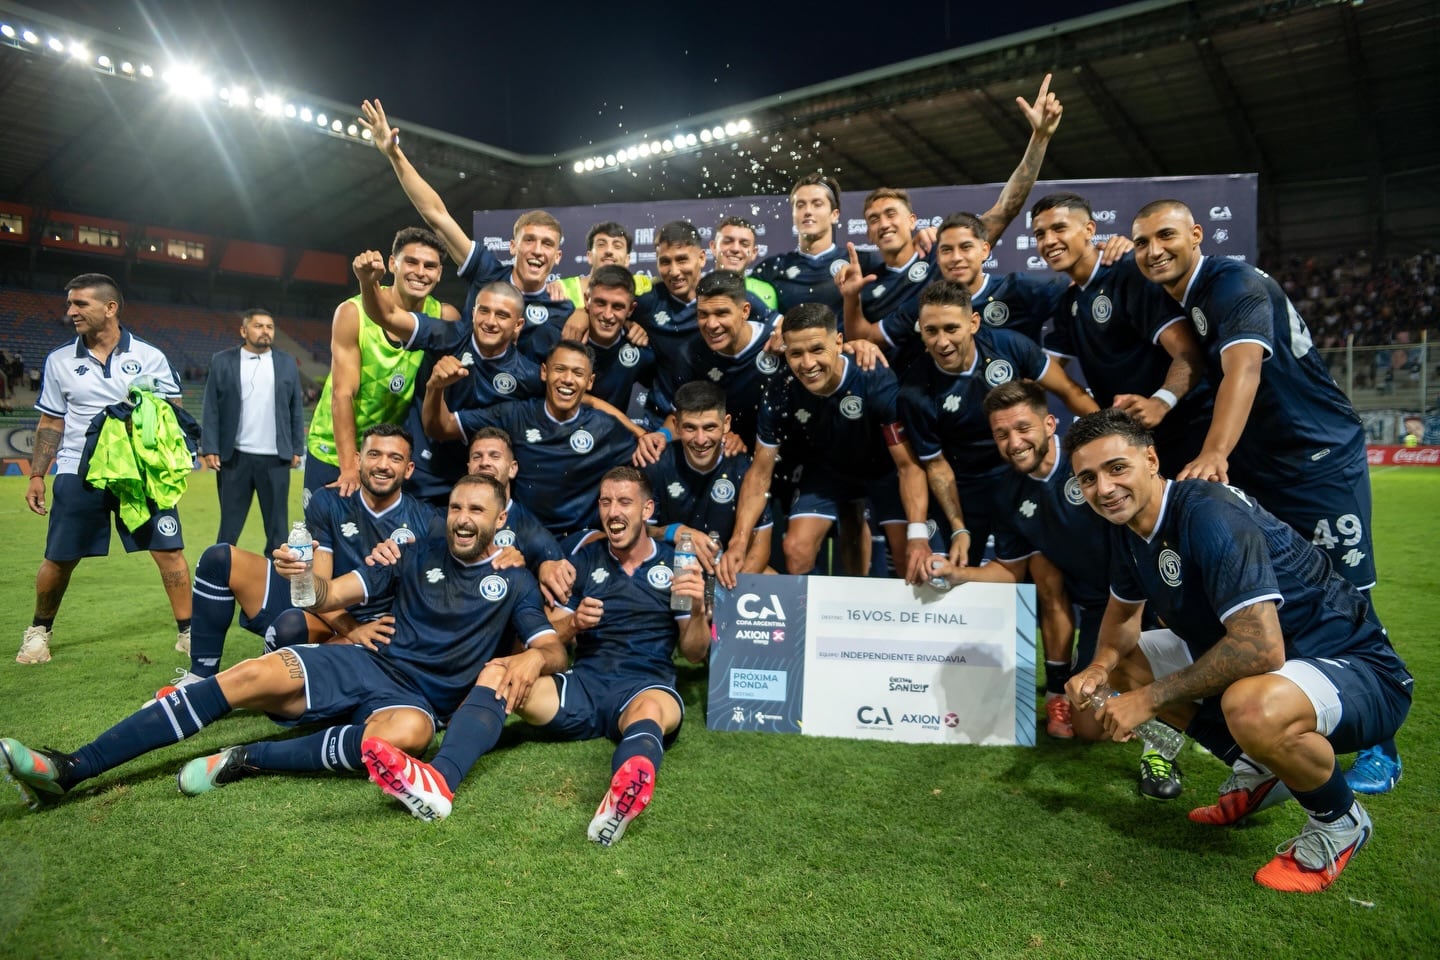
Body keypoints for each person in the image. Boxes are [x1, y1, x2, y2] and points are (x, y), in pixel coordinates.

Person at [0, 475, 561, 808]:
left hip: (419, 703)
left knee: (406, 738)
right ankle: (72, 768)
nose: (463, 519)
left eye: (477, 510)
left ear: (500, 519)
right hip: (367, 663)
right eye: (457, 507)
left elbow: (554, 648)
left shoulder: (514, 580)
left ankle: (246, 759)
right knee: (247, 675)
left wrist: (533, 656)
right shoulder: (411, 550)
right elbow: (329, 594)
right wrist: (302, 577)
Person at [1061, 410, 1411, 893]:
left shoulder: (1208, 513)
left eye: (1116, 468)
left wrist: (1149, 700)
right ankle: (1258, 768)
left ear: (1151, 460)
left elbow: (1260, 648)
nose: (1103, 488)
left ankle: (1339, 821)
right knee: (1127, 665)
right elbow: (1121, 621)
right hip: (1284, 666)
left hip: (1359, 669)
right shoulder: (1128, 530)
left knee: (1250, 705)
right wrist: (1099, 667)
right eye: (1088, 478)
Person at [1129, 199, 1400, 795]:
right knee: (1276, 591)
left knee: (1349, 591)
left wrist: (1214, 453)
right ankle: (1280, 722)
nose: (1153, 250)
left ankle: (1381, 742)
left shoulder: (1236, 284)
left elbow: (1244, 371)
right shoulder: (1189, 300)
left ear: (1196, 234)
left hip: (1316, 458)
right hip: (1265, 466)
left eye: (1165, 235)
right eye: (1141, 242)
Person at [360, 467, 710, 846]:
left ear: (647, 509)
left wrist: (695, 611)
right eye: (606, 502)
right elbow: (551, 633)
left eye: (624, 502)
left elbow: (694, 653)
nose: (613, 512)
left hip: (645, 685)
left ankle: (620, 798)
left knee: (650, 712)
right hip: (585, 685)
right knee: (499, 671)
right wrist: (574, 622)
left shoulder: (676, 564)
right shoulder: (584, 559)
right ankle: (439, 780)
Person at [929, 382, 1181, 801]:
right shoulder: (1007, 492)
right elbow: (1011, 570)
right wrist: (959, 574)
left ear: (1049, 424)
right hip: (1104, 608)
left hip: (1157, 591)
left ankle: (1160, 750)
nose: (1014, 442)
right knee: (1088, 726)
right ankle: (1138, 694)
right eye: (1001, 434)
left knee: (1183, 666)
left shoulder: (1088, 462)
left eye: (1023, 428)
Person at [168, 423, 434, 693]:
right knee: (218, 559)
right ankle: (199, 677)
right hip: (325, 611)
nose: (383, 465)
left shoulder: (424, 522)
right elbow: (317, 591)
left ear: (409, 469)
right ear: (358, 460)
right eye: (374, 454)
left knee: (289, 628)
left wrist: (358, 632)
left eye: (395, 458)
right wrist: (297, 572)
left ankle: (271, 678)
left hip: (370, 629)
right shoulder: (329, 501)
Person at [20, 274, 191, 665]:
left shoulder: (150, 357)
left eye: (80, 304)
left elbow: (173, 414)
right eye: (70, 303)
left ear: (110, 308)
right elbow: (51, 422)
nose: (71, 311)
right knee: (60, 557)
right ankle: (39, 632)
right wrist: (36, 474)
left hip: (140, 472)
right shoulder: (59, 360)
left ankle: (188, 632)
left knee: (169, 551)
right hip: (79, 469)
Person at [838, 74, 1064, 364]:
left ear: (913, 221)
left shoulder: (1002, 281)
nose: (956, 257)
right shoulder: (915, 299)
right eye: (874, 219)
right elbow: (865, 336)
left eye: (891, 214)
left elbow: (1007, 207)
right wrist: (851, 298)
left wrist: (1040, 138)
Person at [719, 304, 932, 586]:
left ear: (839, 342)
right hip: (828, 471)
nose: (807, 364)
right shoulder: (780, 389)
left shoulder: (872, 376)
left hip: (885, 470)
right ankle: (811, 613)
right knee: (796, 550)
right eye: (796, 353)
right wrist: (738, 541)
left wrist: (918, 536)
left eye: (817, 349)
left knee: (909, 557)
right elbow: (759, 474)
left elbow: (908, 466)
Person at [897, 280, 1096, 570]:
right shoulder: (915, 392)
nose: (942, 342)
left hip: (1024, 476)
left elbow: (1069, 391)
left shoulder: (1009, 345)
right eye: (931, 331)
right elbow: (936, 465)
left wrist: (1111, 435)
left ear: (973, 323)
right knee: (949, 571)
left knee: (1048, 571)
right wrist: (958, 527)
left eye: (951, 328)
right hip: (965, 487)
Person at [360, 99, 573, 362]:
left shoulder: (563, 309)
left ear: (558, 256)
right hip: (459, 384)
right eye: (529, 240)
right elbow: (437, 215)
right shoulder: (486, 271)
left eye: (547, 243)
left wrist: (582, 315)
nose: (537, 250)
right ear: (513, 246)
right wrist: (394, 154)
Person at [1030, 192, 1211, 473]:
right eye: (1040, 234)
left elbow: (1188, 354)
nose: (1049, 241)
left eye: (1059, 228)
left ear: (1089, 229)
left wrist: (1160, 402)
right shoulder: (1068, 301)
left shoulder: (1130, 271)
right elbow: (1047, 374)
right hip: (1135, 443)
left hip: (1188, 431)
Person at [424, 340, 659, 542]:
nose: (567, 379)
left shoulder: (604, 428)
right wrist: (435, 388)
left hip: (577, 539)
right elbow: (441, 428)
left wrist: (655, 526)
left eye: (578, 373)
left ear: (589, 382)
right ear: (545, 372)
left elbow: (650, 459)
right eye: (560, 369)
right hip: (520, 533)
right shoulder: (515, 416)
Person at [305, 226, 457, 500]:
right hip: (334, 450)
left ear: (439, 274)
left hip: (387, 455)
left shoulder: (443, 316)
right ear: (392, 264)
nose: (420, 272)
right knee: (324, 526)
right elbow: (342, 394)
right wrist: (349, 467)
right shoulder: (353, 312)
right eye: (411, 262)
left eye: (430, 266)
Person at [643, 380, 774, 577]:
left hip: (725, 574)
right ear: (676, 426)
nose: (701, 439)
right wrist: (672, 532)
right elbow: (638, 535)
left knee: (772, 577)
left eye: (709, 427)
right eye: (690, 428)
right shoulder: (656, 466)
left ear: (726, 423)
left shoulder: (744, 468)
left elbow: (760, 547)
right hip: (668, 571)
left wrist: (727, 588)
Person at [201, 308, 305, 554]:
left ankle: (276, 574)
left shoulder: (287, 363)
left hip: (276, 458)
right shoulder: (222, 360)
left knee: (278, 529)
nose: (265, 331)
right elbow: (211, 407)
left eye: (270, 326)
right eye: (258, 326)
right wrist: (210, 447)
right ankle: (222, 570)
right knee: (229, 527)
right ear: (243, 331)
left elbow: (295, 408)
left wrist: (296, 448)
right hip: (235, 457)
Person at [553, 221, 653, 309]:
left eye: (617, 246)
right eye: (601, 245)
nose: (609, 251)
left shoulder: (640, 285)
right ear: (589, 256)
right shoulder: (560, 289)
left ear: (627, 260)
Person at [709, 215, 778, 310]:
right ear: (713, 247)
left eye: (744, 244)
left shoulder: (766, 292)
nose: (735, 249)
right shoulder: (698, 287)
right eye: (728, 241)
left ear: (754, 253)